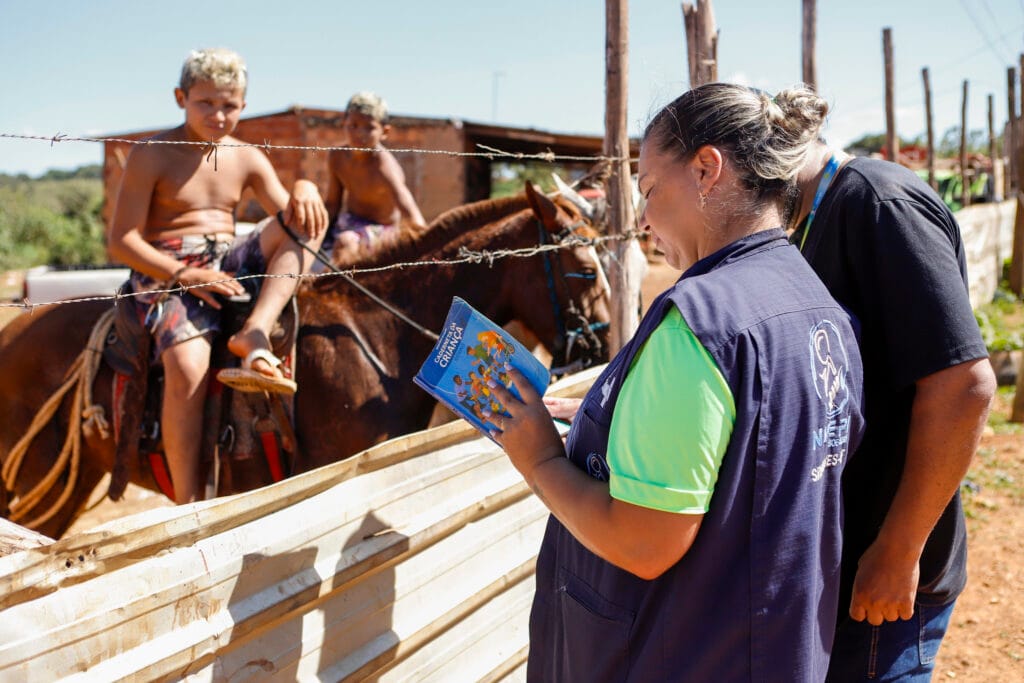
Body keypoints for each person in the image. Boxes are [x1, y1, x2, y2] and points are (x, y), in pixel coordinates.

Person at [490, 83, 867, 681]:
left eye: (648, 189)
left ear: (706, 169)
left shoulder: (699, 322)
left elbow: (644, 543)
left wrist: (537, 458)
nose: (641, 217)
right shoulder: (816, 302)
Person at [789, 137, 997, 680]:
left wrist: (898, 552)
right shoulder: (822, 213)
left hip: (881, 574)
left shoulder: (878, 202)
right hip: (856, 561)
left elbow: (963, 387)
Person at [108, 47, 328, 504]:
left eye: (229, 105)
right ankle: (188, 501)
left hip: (226, 258)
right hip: (167, 270)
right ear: (180, 97)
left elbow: (287, 215)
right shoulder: (151, 153)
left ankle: (256, 331)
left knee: (304, 226)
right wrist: (185, 274)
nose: (218, 114)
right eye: (205, 102)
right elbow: (121, 241)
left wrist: (305, 186)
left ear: (243, 106)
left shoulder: (245, 156)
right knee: (188, 366)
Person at [321, 91, 427, 259]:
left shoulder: (384, 167)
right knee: (305, 237)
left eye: (369, 127)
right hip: (349, 222)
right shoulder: (337, 156)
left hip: (382, 228)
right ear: (344, 124)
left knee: (346, 243)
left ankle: (338, 284)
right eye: (353, 125)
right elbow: (332, 204)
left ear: (384, 131)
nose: (359, 133)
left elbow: (411, 215)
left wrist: (428, 243)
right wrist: (318, 232)